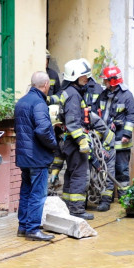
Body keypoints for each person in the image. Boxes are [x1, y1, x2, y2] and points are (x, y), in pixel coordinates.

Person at [14, 72, 59, 242]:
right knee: (37, 194)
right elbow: (43, 130)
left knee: (26, 191)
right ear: (46, 84)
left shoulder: (22, 101)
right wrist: (54, 145)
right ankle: (33, 229)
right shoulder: (39, 103)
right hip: (37, 156)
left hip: (24, 155)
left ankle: (23, 227)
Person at [50, 59, 94, 218]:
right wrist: (82, 141)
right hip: (74, 142)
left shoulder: (65, 92)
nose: (87, 79)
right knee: (79, 174)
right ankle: (77, 210)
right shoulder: (74, 95)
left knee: (70, 173)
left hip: (63, 140)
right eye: (84, 76)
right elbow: (73, 122)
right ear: (75, 77)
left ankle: (69, 207)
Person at [93, 66, 134, 211]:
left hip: (120, 140)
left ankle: (125, 199)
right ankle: (106, 199)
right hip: (105, 139)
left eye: (106, 80)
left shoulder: (126, 95)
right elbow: (97, 112)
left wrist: (126, 134)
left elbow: (131, 117)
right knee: (106, 170)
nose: (104, 82)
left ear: (112, 81)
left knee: (121, 169)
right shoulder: (104, 94)